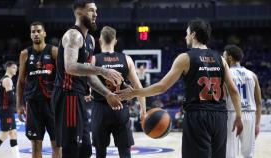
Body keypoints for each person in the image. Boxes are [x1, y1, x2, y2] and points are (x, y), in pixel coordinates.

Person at [118, 18, 244, 158]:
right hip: (220, 117)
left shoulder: (185, 58)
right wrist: (239, 116)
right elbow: (233, 91)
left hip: (198, 116)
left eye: (187, 33)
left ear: (193, 35)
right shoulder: (220, 59)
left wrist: (135, 92)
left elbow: (162, 86)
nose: (185, 37)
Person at [51, 1, 123, 158]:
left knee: (85, 150)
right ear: (79, 13)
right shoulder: (73, 35)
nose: (96, 14)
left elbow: (88, 74)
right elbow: (70, 67)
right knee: (72, 149)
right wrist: (102, 70)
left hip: (79, 97)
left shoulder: (89, 39)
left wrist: (107, 94)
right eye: (91, 11)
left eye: (96, 11)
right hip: (67, 95)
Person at [91, 26, 146, 158]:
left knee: (100, 153)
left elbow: (88, 82)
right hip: (121, 109)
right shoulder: (126, 59)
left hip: (100, 109)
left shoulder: (93, 59)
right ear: (115, 41)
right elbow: (138, 87)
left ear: (100, 40)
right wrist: (143, 110)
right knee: (125, 152)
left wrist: (87, 93)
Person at [16, 21, 61, 158]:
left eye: (39, 31)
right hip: (33, 104)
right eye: (33, 31)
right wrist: (19, 105)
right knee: (35, 145)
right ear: (30, 35)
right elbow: (21, 81)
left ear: (44, 33)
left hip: (52, 103)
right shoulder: (25, 54)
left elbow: (62, 78)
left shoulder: (54, 51)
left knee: (57, 144)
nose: (36, 34)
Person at [223, 45, 262, 158]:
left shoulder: (226, 74)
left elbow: (223, 98)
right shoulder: (252, 75)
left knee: (229, 155)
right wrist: (257, 124)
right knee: (248, 154)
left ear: (229, 58)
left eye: (224, 56)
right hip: (250, 114)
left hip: (232, 113)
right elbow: (259, 102)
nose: (223, 58)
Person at [0, 61, 20, 158]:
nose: (16, 70)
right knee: (4, 134)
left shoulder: (4, 79)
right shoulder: (8, 80)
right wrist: (18, 100)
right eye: (14, 68)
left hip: (7, 110)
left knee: (13, 133)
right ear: (9, 68)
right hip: (6, 111)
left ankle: (17, 156)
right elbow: (10, 98)